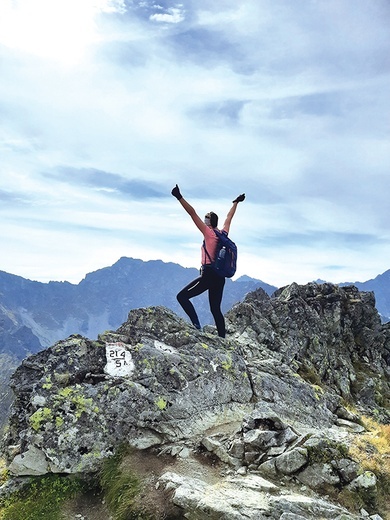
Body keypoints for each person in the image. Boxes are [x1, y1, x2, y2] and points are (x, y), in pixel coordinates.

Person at [171, 184, 245, 337]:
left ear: (210, 221)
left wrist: (179, 197)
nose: (204, 219)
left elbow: (192, 213)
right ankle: (222, 338)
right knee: (215, 309)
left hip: (208, 275)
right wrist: (235, 203)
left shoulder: (208, 233)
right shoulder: (222, 233)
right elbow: (229, 219)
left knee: (182, 297)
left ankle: (197, 327)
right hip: (220, 277)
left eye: (206, 217)